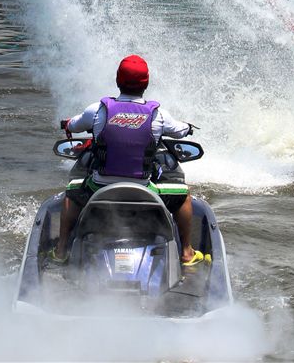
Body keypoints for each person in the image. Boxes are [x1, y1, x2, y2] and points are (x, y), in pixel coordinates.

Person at [51, 54, 203, 266]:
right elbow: (179, 131)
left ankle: (61, 250)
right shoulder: (158, 115)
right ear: (146, 83)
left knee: (72, 193)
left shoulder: (97, 110)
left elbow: (75, 125)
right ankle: (186, 252)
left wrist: (67, 124)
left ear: (117, 81)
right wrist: (188, 128)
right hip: (143, 187)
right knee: (184, 195)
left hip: (99, 187)